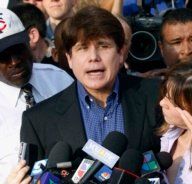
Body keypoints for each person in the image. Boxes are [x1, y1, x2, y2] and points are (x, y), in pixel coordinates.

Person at [20, 5, 161, 161]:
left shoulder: (158, 96)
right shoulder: (38, 120)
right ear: (69, 58)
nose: (93, 57)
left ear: (121, 53)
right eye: (83, 48)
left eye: (103, 46)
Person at [0, 8, 73, 183]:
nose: (14, 62)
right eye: (3, 56)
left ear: (29, 42)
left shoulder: (59, 79)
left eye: (18, 50)